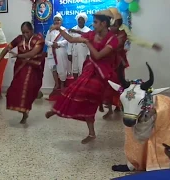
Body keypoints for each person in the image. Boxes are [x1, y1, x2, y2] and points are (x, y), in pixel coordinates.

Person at [45, 10, 119, 144]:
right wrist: (59, 29)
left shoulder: (112, 39)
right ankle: (59, 110)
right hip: (90, 69)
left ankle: (91, 123)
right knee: (74, 89)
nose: (93, 25)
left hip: (102, 73)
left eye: (95, 22)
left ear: (103, 23)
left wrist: (87, 41)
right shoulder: (92, 34)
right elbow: (71, 39)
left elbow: (97, 56)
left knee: (86, 97)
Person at [100, 8, 163, 119]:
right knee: (109, 84)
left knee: (120, 83)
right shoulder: (106, 31)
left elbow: (136, 39)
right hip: (108, 61)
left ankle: (119, 106)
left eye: (114, 20)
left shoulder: (124, 30)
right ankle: (109, 109)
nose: (112, 23)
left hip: (119, 61)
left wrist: (151, 45)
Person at [0, 21, 45, 124]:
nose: (25, 35)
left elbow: (33, 53)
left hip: (34, 66)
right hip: (21, 66)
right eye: (23, 32)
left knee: (27, 87)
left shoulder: (39, 39)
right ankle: (24, 112)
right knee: (15, 89)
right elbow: (7, 48)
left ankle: (34, 96)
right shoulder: (19, 38)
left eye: (27, 32)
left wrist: (19, 56)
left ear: (32, 31)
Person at [45, 12, 69, 90]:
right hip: (52, 51)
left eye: (58, 20)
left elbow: (67, 40)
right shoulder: (50, 31)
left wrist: (58, 44)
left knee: (62, 69)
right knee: (53, 68)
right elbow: (46, 41)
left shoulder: (64, 30)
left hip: (60, 51)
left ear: (61, 21)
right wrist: (52, 44)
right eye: (55, 20)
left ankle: (62, 84)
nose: (56, 22)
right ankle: (57, 84)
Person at [67, 12, 91, 79]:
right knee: (74, 69)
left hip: (83, 52)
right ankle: (75, 85)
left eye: (82, 19)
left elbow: (90, 43)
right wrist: (69, 53)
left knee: (82, 68)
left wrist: (89, 54)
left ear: (85, 21)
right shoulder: (73, 29)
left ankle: (81, 86)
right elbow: (70, 42)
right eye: (79, 19)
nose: (80, 21)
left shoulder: (88, 30)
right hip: (74, 51)